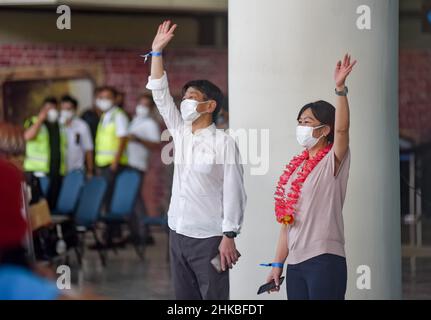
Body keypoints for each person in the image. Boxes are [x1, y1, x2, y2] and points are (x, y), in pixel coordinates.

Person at [146, 20, 247, 300]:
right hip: (177, 232)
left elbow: (234, 191)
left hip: (210, 239)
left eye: (192, 97)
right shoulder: (181, 133)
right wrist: (156, 52)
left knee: (214, 298)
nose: (185, 102)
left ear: (210, 105)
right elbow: (160, 94)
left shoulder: (224, 143)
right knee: (184, 300)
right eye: (185, 97)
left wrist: (229, 235)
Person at [266, 54, 356, 300]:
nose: (301, 127)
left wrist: (340, 89)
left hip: (324, 259)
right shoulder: (296, 168)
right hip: (295, 264)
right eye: (300, 122)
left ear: (325, 129)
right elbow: (287, 224)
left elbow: (343, 129)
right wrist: (277, 264)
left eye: (307, 122)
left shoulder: (333, 160)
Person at [0, 122, 100, 300]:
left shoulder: (19, 178)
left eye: (19, 154)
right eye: (12, 154)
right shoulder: (9, 178)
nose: (18, 160)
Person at [127, 93, 161, 244]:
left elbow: (155, 145)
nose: (142, 108)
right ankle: (136, 232)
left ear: (151, 108)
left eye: (146, 105)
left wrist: (139, 139)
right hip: (129, 163)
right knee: (132, 199)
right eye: (140, 104)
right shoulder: (134, 121)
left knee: (136, 200)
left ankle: (143, 233)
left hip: (138, 165)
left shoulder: (150, 124)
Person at [23, 97, 67, 210]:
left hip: (56, 172)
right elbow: (27, 136)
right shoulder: (33, 121)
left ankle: (52, 227)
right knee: (38, 206)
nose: (51, 111)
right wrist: (40, 120)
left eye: (53, 109)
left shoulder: (60, 125)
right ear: (42, 109)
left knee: (52, 206)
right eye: (47, 109)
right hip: (37, 174)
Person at [94, 86, 129, 204]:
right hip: (103, 163)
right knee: (104, 196)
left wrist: (115, 162)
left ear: (115, 99)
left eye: (107, 98)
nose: (104, 100)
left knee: (111, 197)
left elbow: (123, 139)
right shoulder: (105, 116)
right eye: (102, 97)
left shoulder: (118, 116)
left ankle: (112, 222)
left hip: (114, 164)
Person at [60, 95, 94, 177]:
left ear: (74, 110)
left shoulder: (82, 125)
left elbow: (88, 149)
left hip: (77, 170)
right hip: (59, 171)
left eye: (68, 109)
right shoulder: (56, 125)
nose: (65, 112)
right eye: (63, 109)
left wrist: (90, 170)